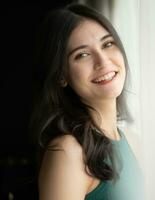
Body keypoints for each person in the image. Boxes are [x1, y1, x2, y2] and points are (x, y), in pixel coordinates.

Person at [30, 3, 144, 200]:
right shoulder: (68, 151)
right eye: (82, 55)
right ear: (61, 76)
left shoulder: (133, 141)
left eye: (108, 44)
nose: (103, 61)